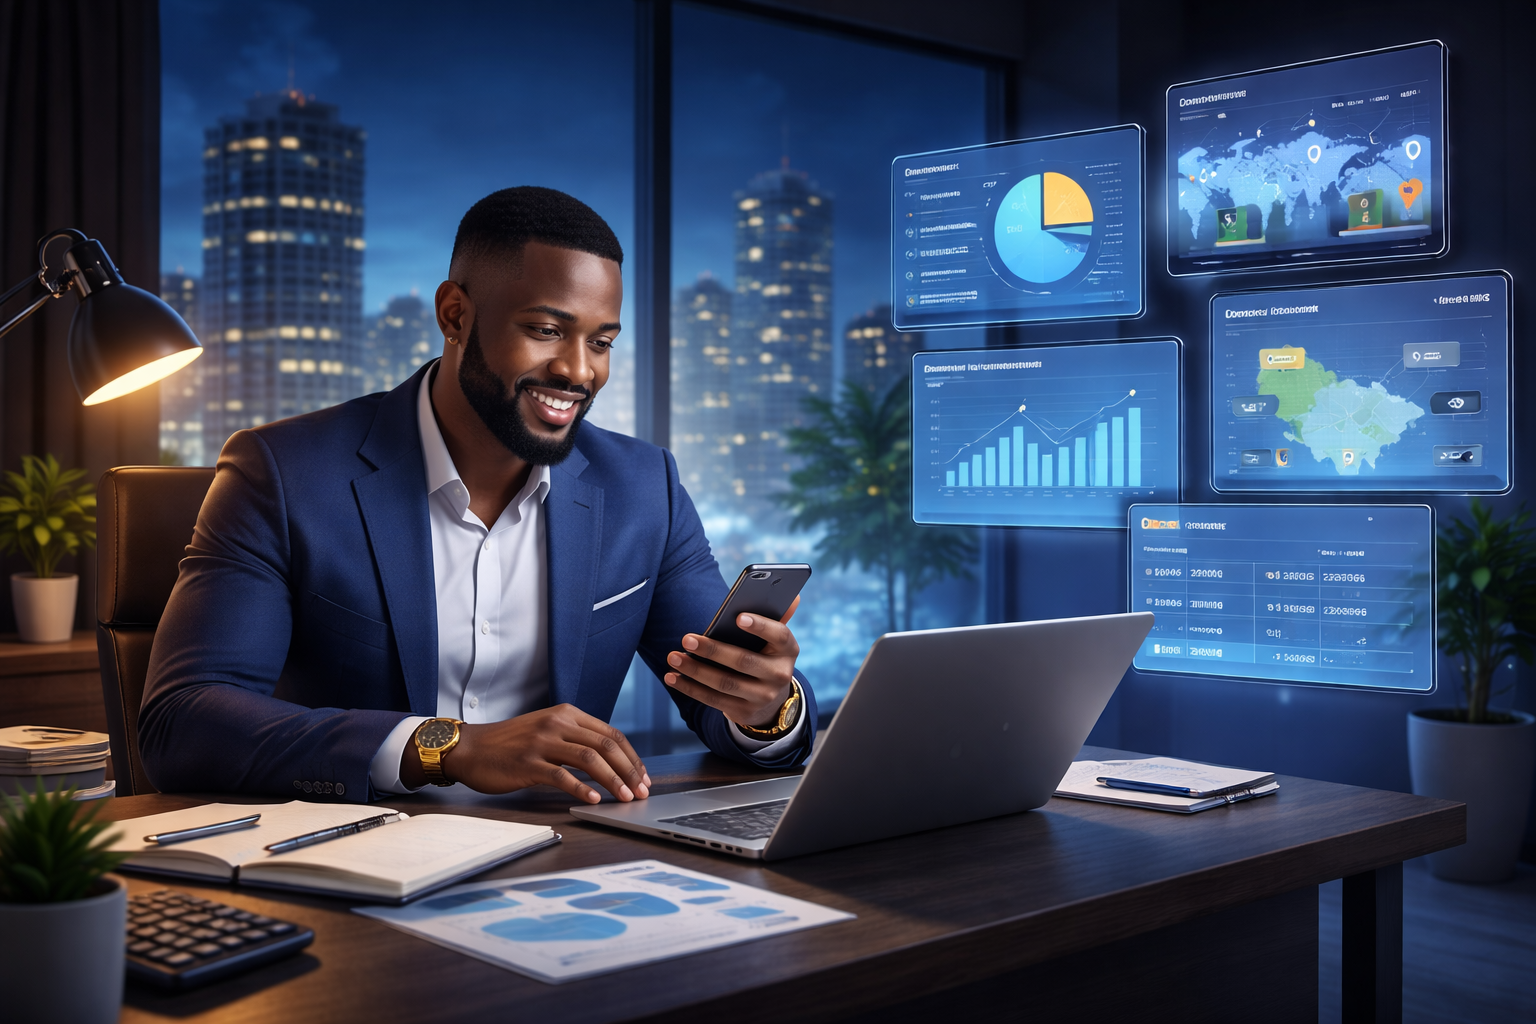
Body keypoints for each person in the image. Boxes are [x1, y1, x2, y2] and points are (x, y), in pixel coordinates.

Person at [140, 186, 817, 804]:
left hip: (568, 865)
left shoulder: (644, 489)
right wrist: (447, 748)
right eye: (547, 330)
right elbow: (185, 722)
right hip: (359, 866)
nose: (578, 371)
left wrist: (765, 707)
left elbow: (721, 696)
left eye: (601, 342)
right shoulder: (283, 473)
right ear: (456, 315)